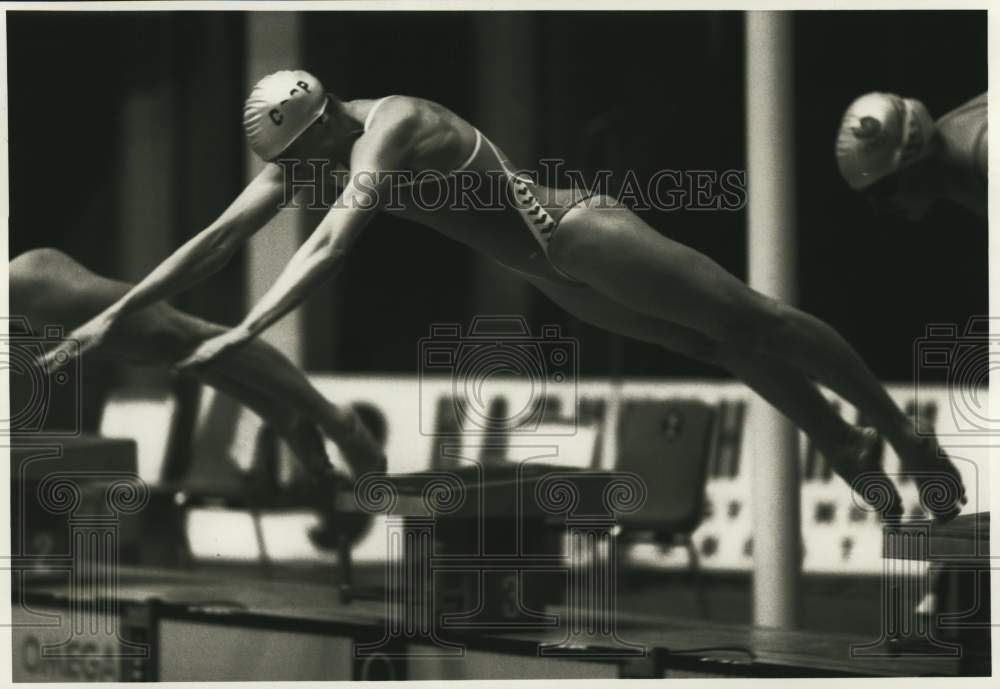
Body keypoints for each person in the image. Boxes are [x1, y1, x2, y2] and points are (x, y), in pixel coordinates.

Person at [42, 70, 967, 521]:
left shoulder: (387, 128)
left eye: (302, 158)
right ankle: (840, 439)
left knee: (753, 320)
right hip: (557, 279)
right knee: (720, 348)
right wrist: (106, 320)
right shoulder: (312, 153)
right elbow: (211, 239)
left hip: (579, 234)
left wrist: (247, 325)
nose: (300, 177)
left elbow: (334, 237)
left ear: (322, 120)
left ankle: (894, 427)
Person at [15, 247, 386, 483]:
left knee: (188, 338)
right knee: (171, 352)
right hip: (26, 299)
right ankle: (284, 414)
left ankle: (336, 421)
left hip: (30, 286)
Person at [836, 91, 987, 219]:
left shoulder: (983, 152)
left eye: (881, 190)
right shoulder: (954, 167)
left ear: (912, 159)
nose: (879, 208)